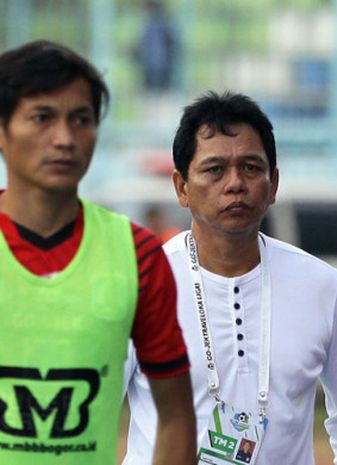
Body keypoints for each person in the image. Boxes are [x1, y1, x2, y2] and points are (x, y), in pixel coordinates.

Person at [122, 91, 337, 465]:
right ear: (181, 187)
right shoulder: (142, 282)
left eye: (251, 167)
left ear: (273, 183)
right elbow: (96, 408)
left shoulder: (320, 285)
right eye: (214, 170)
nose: (235, 184)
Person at [0, 40, 196, 464]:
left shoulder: (137, 255)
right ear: (2, 130)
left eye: (81, 119)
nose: (65, 138)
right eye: (42, 117)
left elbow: (177, 415)